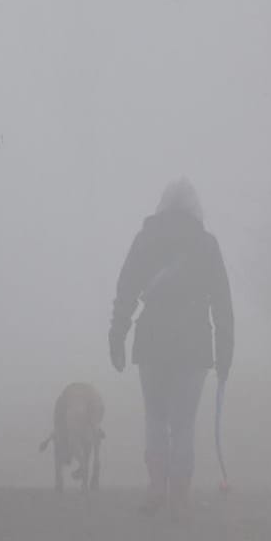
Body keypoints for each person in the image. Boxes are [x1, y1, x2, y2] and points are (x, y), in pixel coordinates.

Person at [109, 178, 233, 519]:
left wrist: (116, 337)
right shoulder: (206, 246)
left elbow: (127, 289)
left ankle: (155, 490)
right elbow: (222, 303)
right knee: (183, 423)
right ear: (196, 208)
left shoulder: (146, 240)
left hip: (152, 342)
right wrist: (225, 354)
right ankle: (179, 497)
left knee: (155, 417)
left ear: (162, 204)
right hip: (193, 345)